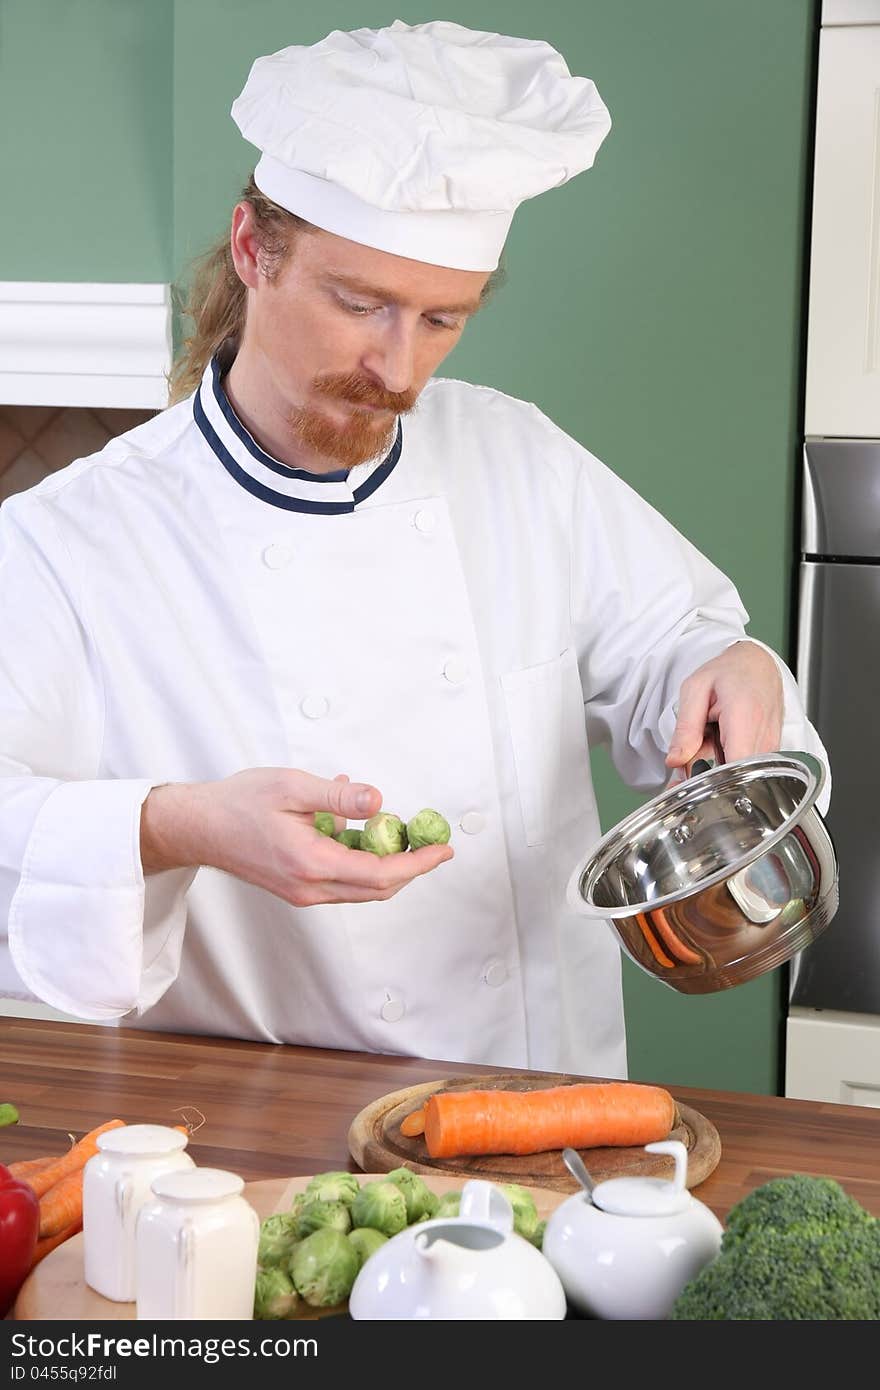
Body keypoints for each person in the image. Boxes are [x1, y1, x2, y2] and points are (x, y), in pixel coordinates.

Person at [0, 20, 828, 1077]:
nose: (397, 367)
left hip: (535, 1094)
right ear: (254, 250)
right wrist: (178, 825)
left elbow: (678, 644)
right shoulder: (71, 537)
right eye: (360, 304)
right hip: (261, 1117)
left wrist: (732, 667)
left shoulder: (517, 457)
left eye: (444, 319)